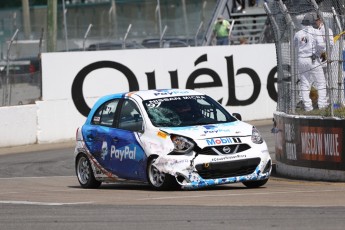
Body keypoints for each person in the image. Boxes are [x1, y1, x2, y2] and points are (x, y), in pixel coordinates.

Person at [294, 13, 327, 111]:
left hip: (301, 59)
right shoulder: (315, 31)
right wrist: (316, 51)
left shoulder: (298, 33)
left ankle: (308, 107)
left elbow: (295, 45)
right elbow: (322, 46)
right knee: (321, 82)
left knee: (304, 83)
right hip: (312, 59)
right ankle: (322, 105)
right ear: (313, 21)